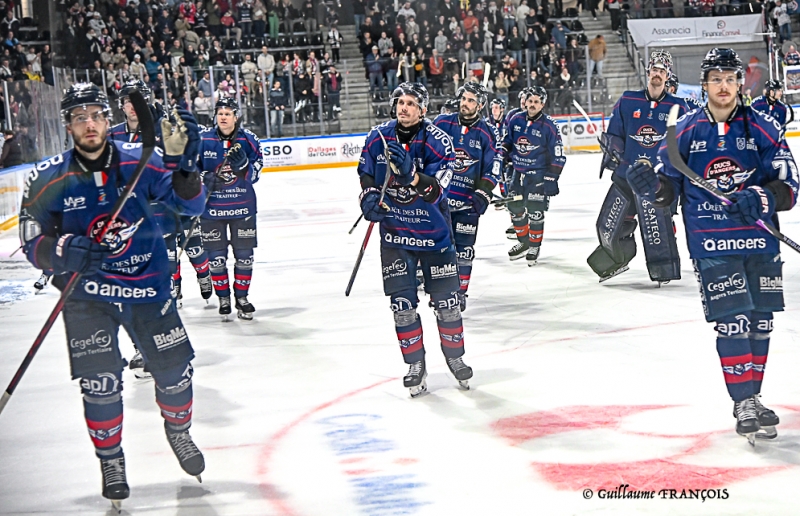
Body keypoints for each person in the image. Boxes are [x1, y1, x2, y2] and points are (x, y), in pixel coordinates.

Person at [18, 83, 206, 508]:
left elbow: (190, 207)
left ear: (108, 120)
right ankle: (111, 460)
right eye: (79, 116)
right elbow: (30, 238)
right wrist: (63, 251)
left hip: (147, 286)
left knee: (176, 374)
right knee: (100, 384)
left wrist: (186, 167)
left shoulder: (141, 162)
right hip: (87, 295)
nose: (89, 123)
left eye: (96, 115)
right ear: (68, 125)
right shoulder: (51, 176)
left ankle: (179, 432)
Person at [627, 48, 799, 442]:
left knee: (760, 322)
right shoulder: (684, 130)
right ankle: (743, 401)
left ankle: (753, 396)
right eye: (715, 79)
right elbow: (667, 189)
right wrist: (650, 186)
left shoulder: (764, 126)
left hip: (760, 240)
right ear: (704, 85)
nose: (724, 86)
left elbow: (789, 183)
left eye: (730, 78)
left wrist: (763, 197)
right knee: (734, 320)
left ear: (740, 83)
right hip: (711, 243)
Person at [357, 82, 472, 397]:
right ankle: (415, 365)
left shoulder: (439, 142)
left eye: (411, 103)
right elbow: (365, 173)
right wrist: (368, 198)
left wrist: (412, 177)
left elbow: (438, 191)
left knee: (448, 305)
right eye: (400, 102)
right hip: (395, 237)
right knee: (402, 307)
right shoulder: (377, 137)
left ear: (423, 110)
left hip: (434, 237)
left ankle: (456, 358)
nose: (404, 108)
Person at [587, 51, 687, 283]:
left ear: (667, 76)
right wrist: (613, 148)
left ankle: (664, 270)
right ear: (648, 71)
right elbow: (615, 134)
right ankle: (616, 259)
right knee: (608, 225)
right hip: (626, 175)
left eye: (662, 71)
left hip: (658, 182)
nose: (657, 75)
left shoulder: (679, 107)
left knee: (657, 231)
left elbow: (685, 142)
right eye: (654, 70)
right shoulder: (628, 100)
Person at [433, 83, 501, 310]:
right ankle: (439, 288)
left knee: (464, 252)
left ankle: (459, 292)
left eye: (471, 100)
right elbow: (422, 149)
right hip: (438, 203)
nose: (465, 103)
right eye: (464, 98)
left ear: (480, 105)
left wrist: (483, 192)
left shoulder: (487, 132)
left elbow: (494, 166)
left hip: (467, 206)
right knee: (437, 248)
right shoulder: (442, 123)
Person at [197, 97, 263, 320]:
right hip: (211, 209)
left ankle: (242, 298)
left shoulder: (249, 139)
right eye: (220, 113)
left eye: (227, 113)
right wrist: (203, 178)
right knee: (215, 259)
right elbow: (188, 171)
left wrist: (245, 167)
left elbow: (257, 171)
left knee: (245, 257)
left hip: (242, 208)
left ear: (236, 116)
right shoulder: (203, 139)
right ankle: (223, 298)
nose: (223, 117)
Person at [500, 86, 566, 265]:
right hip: (517, 173)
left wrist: (552, 177)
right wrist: (502, 154)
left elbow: (558, 154)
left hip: (537, 176)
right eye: (530, 101)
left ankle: (534, 246)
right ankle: (524, 242)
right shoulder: (515, 119)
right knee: (515, 209)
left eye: (536, 102)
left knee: (535, 212)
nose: (532, 104)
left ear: (543, 104)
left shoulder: (550, 126)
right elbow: (508, 141)